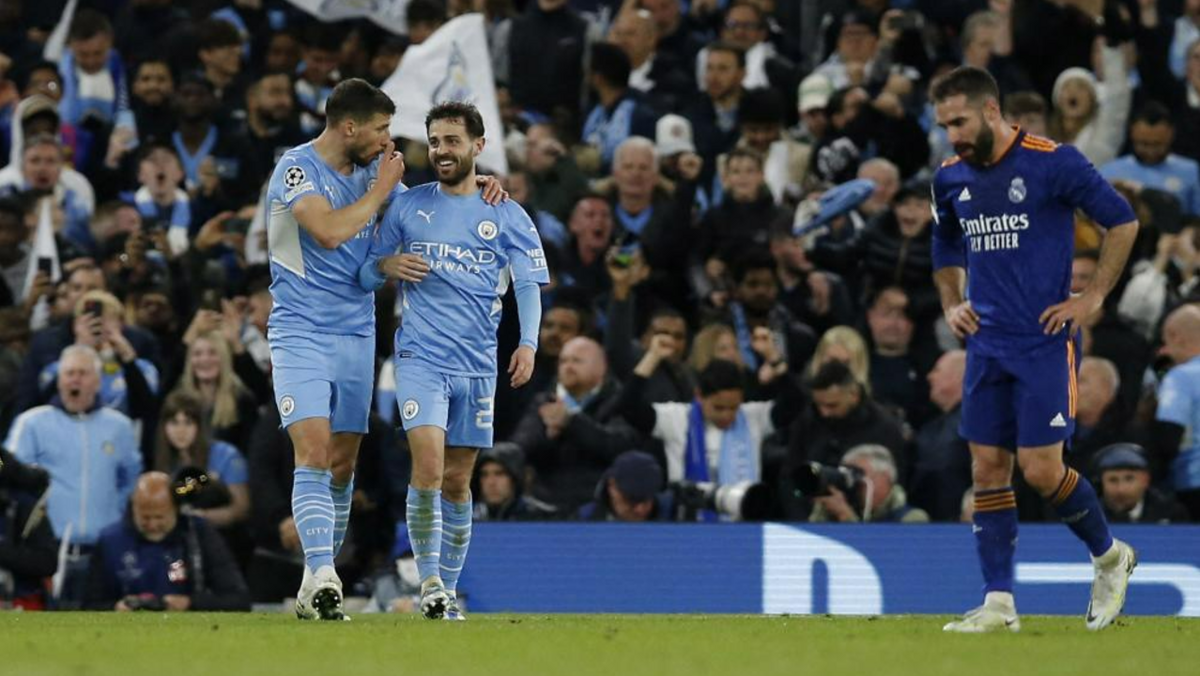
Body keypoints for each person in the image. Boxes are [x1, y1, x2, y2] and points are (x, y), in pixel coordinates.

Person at [930, 66, 1139, 632]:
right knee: (987, 469)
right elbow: (944, 242)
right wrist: (951, 301)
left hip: (1044, 342)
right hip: (985, 344)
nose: (953, 135)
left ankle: (1110, 558)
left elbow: (1122, 222)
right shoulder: (949, 178)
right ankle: (999, 603)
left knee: (1042, 471)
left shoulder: (1054, 162)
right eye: (944, 125)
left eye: (959, 122)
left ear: (991, 111)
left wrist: (1092, 296)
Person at [359, 101, 548, 620]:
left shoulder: (504, 211)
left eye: (452, 141)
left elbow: (528, 284)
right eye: (435, 141)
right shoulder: (408, 206)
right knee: (428, 467)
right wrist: (387, 264)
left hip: (478, 365)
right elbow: (365, 273)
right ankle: (431, 585)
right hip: (420, 359)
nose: (442, 151)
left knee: (459, 481)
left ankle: (448, 586)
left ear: (478, 146)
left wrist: (528, 343)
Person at [265, 78, 405, 621]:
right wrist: (380, 190)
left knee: (343, 464)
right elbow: (327, 231)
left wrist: (475, 188)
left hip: (357, 333)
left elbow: (418, 214)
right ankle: (326, 572)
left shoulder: (373, 170)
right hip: (299, 331)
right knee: (314, 451)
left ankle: (312, 585)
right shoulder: (296, 169)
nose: (387, 139)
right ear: (349, 127)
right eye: (381, 129)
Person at [4, 345, 142, 606]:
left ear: (98, 381)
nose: (74, 380)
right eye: (69, 373)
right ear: (59, 381)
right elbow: (11, 476)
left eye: (83, 373)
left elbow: (132, 481)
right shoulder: (31, 423)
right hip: (49, 552)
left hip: (102, 552)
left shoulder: (119, 427)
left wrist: (115, 516)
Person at [83, 472, 250, 611]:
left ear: (175, 510)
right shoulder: (110, 540)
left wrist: (190, 603)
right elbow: (89, 605)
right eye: (145, 518)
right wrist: (116, 607)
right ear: (133, 509)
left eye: (159, 517)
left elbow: (238, 599)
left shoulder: (198, 534)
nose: (152, 525)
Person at [1154, 304, 1200, 518]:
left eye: (1166, 342)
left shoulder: (1181, 377)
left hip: (1194, 483)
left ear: (1176, 337)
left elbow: (1168, 434)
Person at [809, 444, 929, 524]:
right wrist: (822, 510)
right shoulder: (847, 508)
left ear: (883, 478)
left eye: (856, 473)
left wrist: (846, 517)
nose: (851, 482)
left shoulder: (912, 518)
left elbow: (881, 554)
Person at [1093, 444, 1190, 525]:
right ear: (1101, 483)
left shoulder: (1171, 513)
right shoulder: (1090, 515)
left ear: (1145, 480)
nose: (1121, 489)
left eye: (1129, 479)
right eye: (1112, 480)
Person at [577, 450, 672, 522]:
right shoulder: (584, 522)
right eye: (631, 500)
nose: (641, 510)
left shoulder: (674, 514)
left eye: (647, 500)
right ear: (612, 487)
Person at [471, 443, 558, 522]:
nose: (491, 482)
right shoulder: (469, 517)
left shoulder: (544, 518)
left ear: (515, 478)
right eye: (484, 475)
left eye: (499, 474)